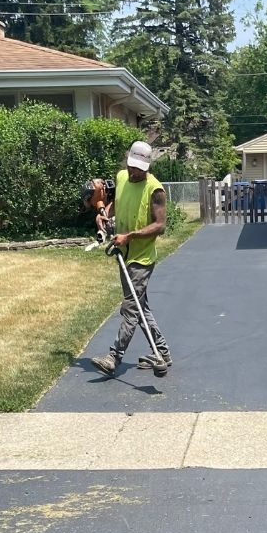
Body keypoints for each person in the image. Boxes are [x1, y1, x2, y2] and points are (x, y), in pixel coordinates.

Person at [91, 140, 174, 378]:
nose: (133, 171)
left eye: (138, 168)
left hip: (142, 258)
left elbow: (160, 225)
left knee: (130, 308)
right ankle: (163, 352)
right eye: (131, 165)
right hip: (123, 254)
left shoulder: (155, 189)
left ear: (147, 166)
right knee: (140, 307)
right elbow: (117, 203)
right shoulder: (121, 177)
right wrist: (105, 214)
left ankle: (113, 357)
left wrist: (130, 236)